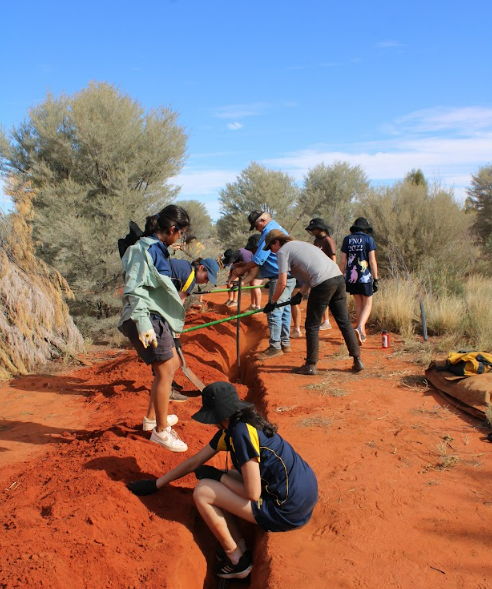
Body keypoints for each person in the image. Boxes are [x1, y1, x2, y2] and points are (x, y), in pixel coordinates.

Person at [127, 381, 318, 580]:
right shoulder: (241, 425)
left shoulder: (241, 434)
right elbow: (195, 461)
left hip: (286, 510)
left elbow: (252, 494)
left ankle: (237, 560)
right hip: (301, 495)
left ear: (217, 415)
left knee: (203, 491)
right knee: (227, 477)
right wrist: (158, 483)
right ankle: (241, 545)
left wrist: (217, 476)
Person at [118, 205, 192, 452]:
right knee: (164, 370)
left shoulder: (158, 249)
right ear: (172, 229)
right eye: (180, 233)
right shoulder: (143, 250)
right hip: (146, 317)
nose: (180, 238)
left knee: (170, 366)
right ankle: (161, 431)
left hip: (154, 316)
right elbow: (135, 288)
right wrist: (143, 323)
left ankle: (152, 419)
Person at [263, 229, 364, 375]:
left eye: (270, 247)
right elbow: (313, 271)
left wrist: (272, 302)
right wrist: (301, 293)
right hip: (338, 278)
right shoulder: (301, 245)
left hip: (323, 283)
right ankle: (357, 359)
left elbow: (282, 282)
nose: (271, 251)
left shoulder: (283, 251)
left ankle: (310, 365)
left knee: (311, 325)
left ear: (276, 242)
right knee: (344, 322)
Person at [230, 211, 296, 359]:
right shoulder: (275, 228)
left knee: (274, 311)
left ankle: (275, 347)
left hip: (280, 277)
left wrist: (241, 270)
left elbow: (259, 260)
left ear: (262, 220)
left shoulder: (269, 233)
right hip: (289, 275)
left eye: (256, 225)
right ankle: (285, 343)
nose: (256, 229)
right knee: (284, 310)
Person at [340, 217, 379, 344]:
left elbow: (343, 261)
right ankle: (359, 327)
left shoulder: (347, 239)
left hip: (351, 277)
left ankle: (361, 333)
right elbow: (372, 260)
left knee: (358, 303)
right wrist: (376, 278)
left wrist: (341, 276)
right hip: (365, 277)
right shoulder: (369, 239)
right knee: (368, 303)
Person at [305, 217, 338, 331]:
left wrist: (333, 271)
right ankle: (324, 320)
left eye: (313, 229)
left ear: (319, 229)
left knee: (325, 299)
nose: (312, 232)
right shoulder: (316, 241)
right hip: (318, 272)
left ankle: (327, 321)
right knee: (321, 298)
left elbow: (333, 256)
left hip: (328, 273)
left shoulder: (328, 240)